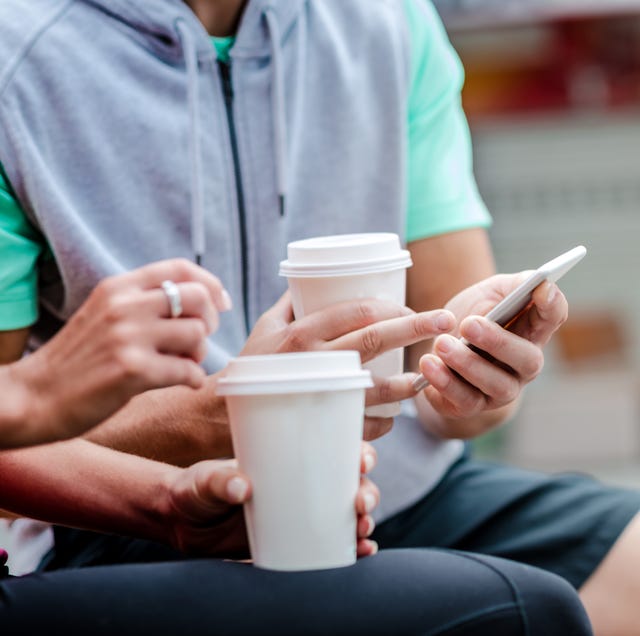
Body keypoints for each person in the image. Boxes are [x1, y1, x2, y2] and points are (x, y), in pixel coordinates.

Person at [0, 0, 626, 632]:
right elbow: (11, 441)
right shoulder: (17, 55)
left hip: (404, 490)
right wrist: (217, 419)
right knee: (524, 607)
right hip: (134, 517)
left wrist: (472, 375)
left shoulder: (390, 22)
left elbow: (455, 408)